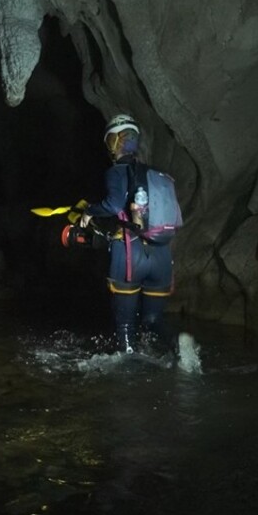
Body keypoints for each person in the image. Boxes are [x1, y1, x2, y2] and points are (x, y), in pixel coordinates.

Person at [79, 114, 178, 357]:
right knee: (153, 321)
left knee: (125, 325)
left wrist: (89, 212)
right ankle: (181, 351)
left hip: (130, 253)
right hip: (162, 254)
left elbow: (113, 205)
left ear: (112, 142)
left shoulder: (116, 172)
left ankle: (128, 376)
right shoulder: (156, 174)